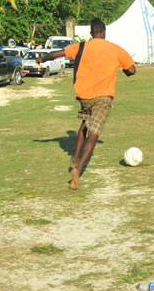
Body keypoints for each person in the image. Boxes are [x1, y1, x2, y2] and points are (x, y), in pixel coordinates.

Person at [37, 18, 136, 190]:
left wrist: (42, 59)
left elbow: (57, 54)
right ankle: (78, 170)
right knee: (94, 134)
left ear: (91, 33)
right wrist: (125, 70)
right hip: (103, 97)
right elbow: (132, 70)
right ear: (104, 32)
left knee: (84, 124)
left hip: (84, 97)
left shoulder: (81, 46)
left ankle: (75, 157)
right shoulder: (115, 48)